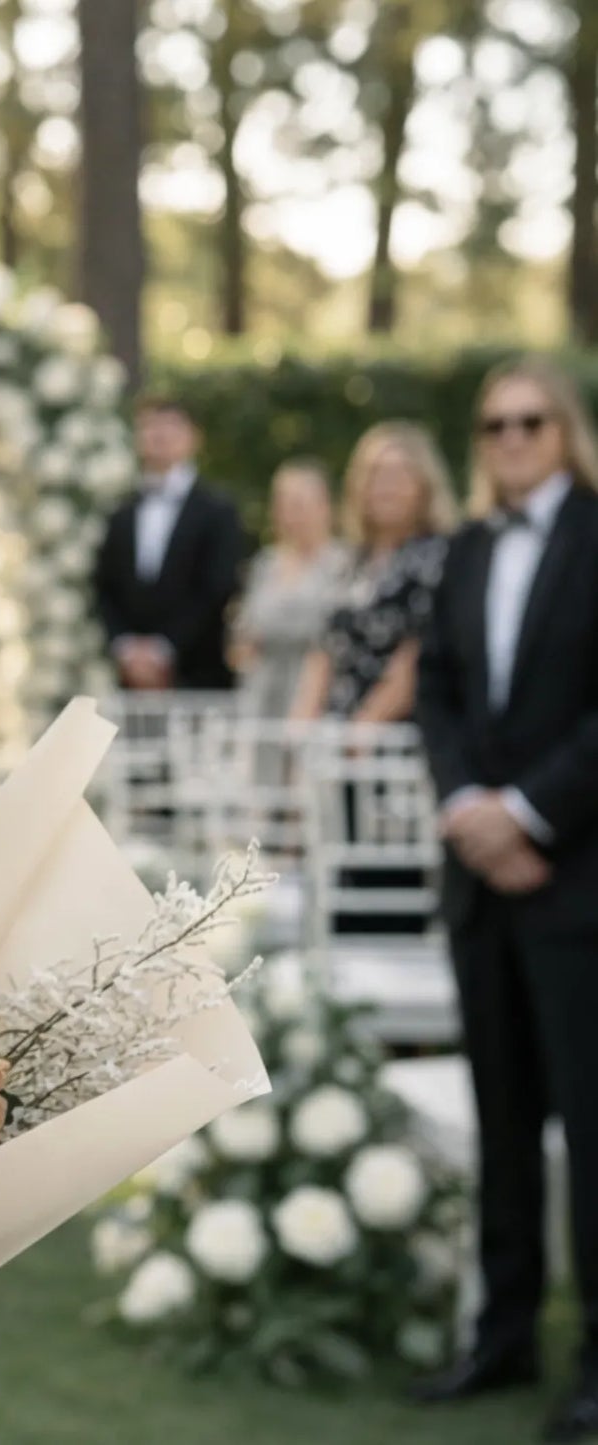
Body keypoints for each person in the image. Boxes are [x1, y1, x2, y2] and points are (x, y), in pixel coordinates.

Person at [414, 357, 598, 1443]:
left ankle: (594, 1368)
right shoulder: (468, 548)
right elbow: (436, 684)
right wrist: (466, 807)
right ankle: (502, 1333)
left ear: (562, 429)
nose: (509, 438)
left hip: (573, 878)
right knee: (499, 1122)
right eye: (491, 425)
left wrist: (528, 813)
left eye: (528, 421)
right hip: (479, 882)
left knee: (588, 1126)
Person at [290, 422, 455, 725]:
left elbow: (419, 654)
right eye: (375, 473)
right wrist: (301, 726)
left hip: (397, 739)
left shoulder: (440, 556)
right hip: (336, 734)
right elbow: (323, 649)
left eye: (399, 474)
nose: (385, 485)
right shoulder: (349, 561)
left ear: (424, 484)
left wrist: (366, 726)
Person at [92, 394, 246, 692]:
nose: (159, 435)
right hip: (128, 680)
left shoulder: (218, 510)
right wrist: (127, 648)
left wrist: (164, 649)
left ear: (193, 437)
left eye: (171, 426)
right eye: (150, 427)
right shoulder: (119, 511)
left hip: (199, 675)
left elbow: (218, 587)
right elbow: (104, 586)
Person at [232, 458, 349, 720]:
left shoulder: (343, 564)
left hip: (318, 700)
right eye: (283, 505)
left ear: (325, 506)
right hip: (261, 697)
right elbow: (245, 630)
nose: (291, 515)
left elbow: (334, 637)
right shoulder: (265, 564)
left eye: (300, 505)